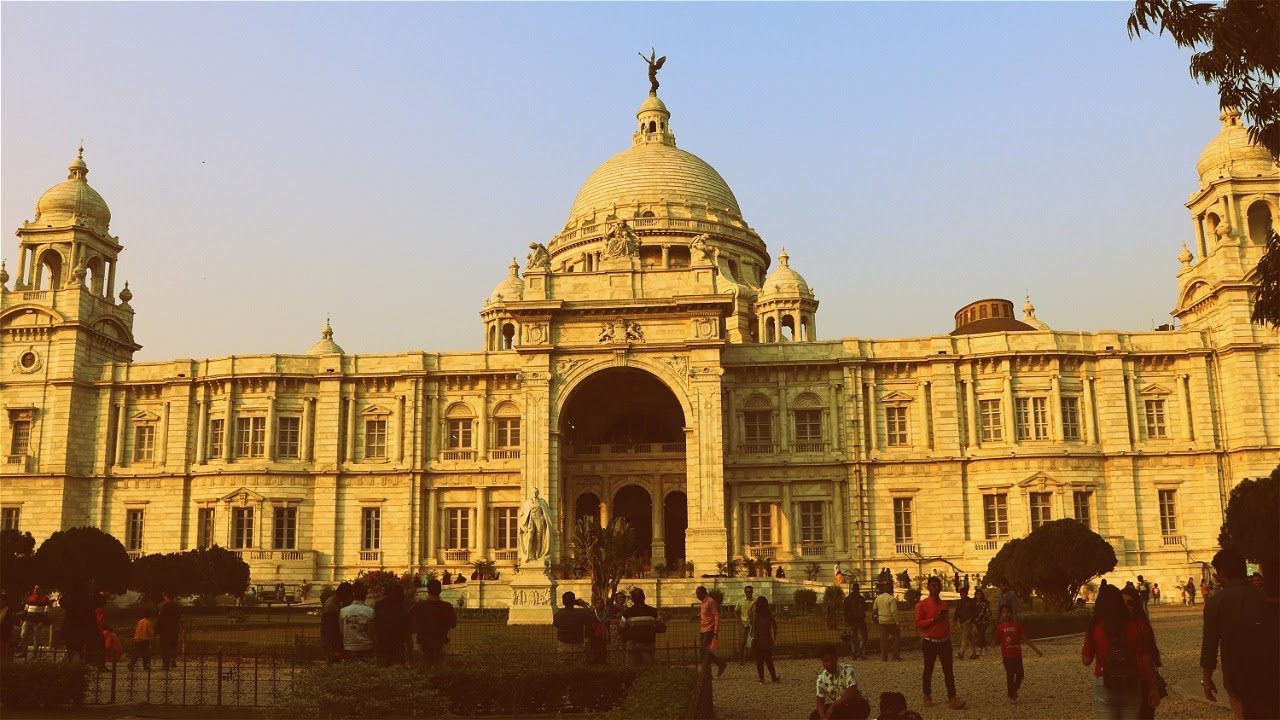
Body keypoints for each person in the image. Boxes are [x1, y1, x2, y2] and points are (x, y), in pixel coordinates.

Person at [1200, 548, 1268, 720]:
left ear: (1222, 572)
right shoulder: (1264, 596)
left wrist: (1206, 680)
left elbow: (1209, 645)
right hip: (1269, 671)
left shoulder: (1217, 602)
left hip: (1236, 673)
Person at [1082, 584, 1159, 719]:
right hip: (1131, 682)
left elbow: (1086, 660)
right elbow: (1145, 658)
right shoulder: (1134, 626)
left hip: (1105, 681)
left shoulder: (1095, 627)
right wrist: (1153, 686)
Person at [914, 576, 966, 710]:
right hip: (929, 642)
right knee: (928, 669)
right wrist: (933, 620)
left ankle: (952, 697)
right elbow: (918, 623)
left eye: (938, 585)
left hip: (944, 642)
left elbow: (946, 622)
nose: (936, 588)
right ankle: (927, 695)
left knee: (948, 670)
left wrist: (948, 635)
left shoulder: (944, 604)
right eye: (933, 586)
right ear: (928, 588)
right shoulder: (922, 605)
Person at [1121, 585, 1164, 720]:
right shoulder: (1114, 627)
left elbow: (1147, 657)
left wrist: (1153, 686)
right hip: (1121, 680)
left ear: (1136, 606)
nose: (1125, 606)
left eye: (1129, 603)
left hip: (1141, 679)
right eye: (1122, 603)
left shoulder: (1141, 627)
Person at [996, 604, 1042, 701]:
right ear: (1001, 614)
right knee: (1010, 674)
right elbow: (997, 639)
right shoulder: (1000, 627)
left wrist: (1036, 650)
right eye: (1003, 612)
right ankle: (1011, 695)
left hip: (1017, 655)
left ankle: (1014, 689)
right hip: (1007, 655)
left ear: (1011, 613)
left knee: (1020, 674)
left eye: (1007, 612)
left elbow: (1025, 638)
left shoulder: (1017, 625)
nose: (1006, 614)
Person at [812, 643, 871, 720]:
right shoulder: (821, 679)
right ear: (822, 661)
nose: (829, 664)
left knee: (847, 712)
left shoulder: (847, 669)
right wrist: (823, 716)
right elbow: (820, 702)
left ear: (836, 658)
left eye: (831, 659)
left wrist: (833, 706)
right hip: (841, 707)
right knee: (814, 716)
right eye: (825, 661)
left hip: (857, 704)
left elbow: (851, 693)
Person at [411, 578, 457, 667]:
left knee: (424, 672)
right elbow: (453, 624)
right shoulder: (447, 607)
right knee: (441, 674)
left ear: (428, 590)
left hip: (423, 642)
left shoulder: (420, 606)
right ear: (440, 590)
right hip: (441, 642)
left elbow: (410, 618)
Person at [619, 587, 661, 667]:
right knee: (648, 669)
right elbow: (662, 627)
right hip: (647, 642)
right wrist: (651, 630)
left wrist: (629, 634)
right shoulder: (652, 611)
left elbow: (621, 628)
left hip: (632, 643)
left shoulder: (628, 612)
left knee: (632, 668)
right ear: (644, 597)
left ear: (632, 599)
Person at [373, 583, 411, 666]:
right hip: (396, 649)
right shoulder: (402, 610)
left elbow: (375, 628)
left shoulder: (379, 605)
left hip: (382, 647)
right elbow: (407, 635)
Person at [695, 586, 728, 676]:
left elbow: (716, 616)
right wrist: (697, 616)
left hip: (709, 629)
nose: (697, 596)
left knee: (704, 651)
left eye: (698, 594)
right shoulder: (703, 602)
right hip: (703, 629)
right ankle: (719, 664)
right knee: (704, 651)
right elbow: (705, 614)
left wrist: (716, 631)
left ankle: (708, 673)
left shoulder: (710, 601)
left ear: (703, 593)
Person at [553, 591, 594, 661]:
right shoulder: (580, 614)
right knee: (578, 668)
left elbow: (556, 624)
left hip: (563, 644)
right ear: (574, 601)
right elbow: (592, 618)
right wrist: (584, 605)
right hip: (577, 644)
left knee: (563, 667)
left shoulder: (558, 614)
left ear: (563, 602)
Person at [340, 583, 375, 661]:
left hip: (348, 646)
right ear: (365, 596)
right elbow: (372, 631)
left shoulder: (343, 611)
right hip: (366, 646)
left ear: (353, 595)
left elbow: (342, 631)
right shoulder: (371, 611)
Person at [321, 582, 353, 663]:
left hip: (330, 644)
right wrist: (336, 649)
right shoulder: (332, 607)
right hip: (332, 645)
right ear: (344, 593)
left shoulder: (333, 602)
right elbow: (331, 630)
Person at [751, 596, 780, 683]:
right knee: (769, 661)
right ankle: (773, 677)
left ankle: (762, 679)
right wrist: (774, 635)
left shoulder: (755, 614)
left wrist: (753, 603)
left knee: (759, 661)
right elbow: (774, 625)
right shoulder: (769, 614)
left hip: (758, 639)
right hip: (767, 639)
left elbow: (753, 626)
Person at [19, 584, 50, 657]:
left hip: (37, 621)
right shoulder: (30, 598)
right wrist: (22, 619)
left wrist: (42, 622)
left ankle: (35, 654)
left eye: (37, 589)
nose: (35, 590)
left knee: (36, 637)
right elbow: (26, 609)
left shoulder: (45, 599)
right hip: (28, 619)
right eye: (35, 588)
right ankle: (24, 652)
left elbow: (46, 611)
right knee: (23, 635)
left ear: (41, 590)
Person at [873, 583, 901, 661]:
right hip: (891, 621)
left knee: (883, 640)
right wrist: (897, 622)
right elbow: (894, 611)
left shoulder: (878, 598)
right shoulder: (892, 599)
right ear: (891, 591)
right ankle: (895, 655)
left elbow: (874, 608)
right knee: (896, 637)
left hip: (881, 621)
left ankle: (884, 657)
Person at [156, 591, 181, 670]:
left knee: (164, 647)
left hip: (165, 629)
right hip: (174, 628)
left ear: (167, 597)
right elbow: (178, 617)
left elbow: (160, 618)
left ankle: (166, 664)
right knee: (173, 644)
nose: (164, 598)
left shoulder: (164, 606)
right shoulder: (177, 606)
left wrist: (156, 628)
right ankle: (173, 658)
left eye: (164, 596)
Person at [844, 582, 868, 659]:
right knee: (864, 636)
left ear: (852, 589)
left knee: (853, 637)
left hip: (851, 620)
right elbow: (865, 608)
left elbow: (845, 610)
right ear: (858, 589)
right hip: (860, 619)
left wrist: (846, 620)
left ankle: (854, 653)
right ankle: (860, 651)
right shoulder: (861, 598)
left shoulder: (847, 599)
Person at [954, 586, 978, 660]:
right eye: (961, 594)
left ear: (966, 594)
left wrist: (971, 619)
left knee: (964, 637)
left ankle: (961, 653)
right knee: (969, 638)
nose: (962, 596)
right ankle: (974, 653)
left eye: (963, 594)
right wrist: (955, 620)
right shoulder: (959, 602)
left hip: (968, 622)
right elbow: (957, 612)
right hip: (962, 621)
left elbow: (975, 612)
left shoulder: (971, 602)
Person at [735, 585, 757, 661]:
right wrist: (740, 622)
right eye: (747, 592)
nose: (748, 593)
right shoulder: (740, 601)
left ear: (752, 592)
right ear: (744, 592)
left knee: (753, 641)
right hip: (744, 623)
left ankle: (752, 658)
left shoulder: (755, 601)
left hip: (752, 624)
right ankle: (741, 659)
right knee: (743, 642)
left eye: (750, 592)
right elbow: (735, 612)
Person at [586, 595, 610, 664]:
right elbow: (588, 626)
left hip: (604, 636)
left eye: (601, 603)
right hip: (594, 637)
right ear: (595, 604)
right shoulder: (592, 613)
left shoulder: (606, 614)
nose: (600, 604)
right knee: (594, 654)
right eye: (598, 603)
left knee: (604, 654)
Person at [973, 589, 993, 656]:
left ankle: (980, 648)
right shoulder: (974, 602)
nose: (978, 595)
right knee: (982, 634)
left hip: (985, 620)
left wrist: (989, 618)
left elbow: (988, 611)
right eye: (977, 594)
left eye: (980, 593)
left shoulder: (985, 602)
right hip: (977, 621)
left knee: (981, 633)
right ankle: (985, 647)